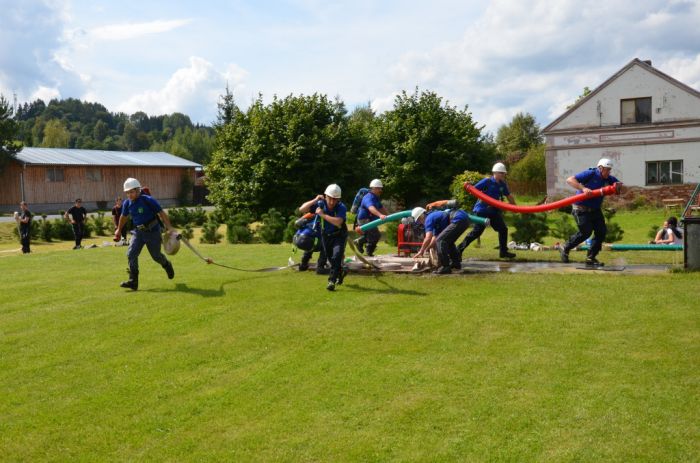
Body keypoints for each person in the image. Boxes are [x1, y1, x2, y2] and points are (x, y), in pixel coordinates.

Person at [114, 178, 176, 291]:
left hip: (153, 232)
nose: (129, 195)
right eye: (127, 192)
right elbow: (124, 216)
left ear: (138, 190)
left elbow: (161, 213)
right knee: (131, 254)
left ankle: (167, 264)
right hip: (138, 233)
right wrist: (118, 229)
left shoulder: (148, 200)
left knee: (156, 256)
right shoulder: (127, 203)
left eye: (131, 192)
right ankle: (133, 282)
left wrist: (169, 227)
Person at [559, 158, 621, 267]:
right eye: (607, 169)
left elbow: (619, 186)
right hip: (580, 208)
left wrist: (618, 188)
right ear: (600, 168)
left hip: (595, 210)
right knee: (585, 232)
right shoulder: (591, 173)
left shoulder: (609, 178)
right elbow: (570, 180)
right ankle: (565, 247)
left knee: (601, 232)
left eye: (610, 170)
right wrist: (583, 188)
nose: (608, 172)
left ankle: (591, 257)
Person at [457, 162, 517, 259]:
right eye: (501, 173)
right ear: (495, 173)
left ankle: (503, 252)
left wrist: (515, 207)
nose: (503, 175)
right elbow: (473, 190)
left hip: (493, 211)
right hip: (482, 210)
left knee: (503, 229)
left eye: (504, 173)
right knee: (477, 232)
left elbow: (509, 196)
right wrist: (469, 186)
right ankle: (458, 250)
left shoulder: (503, 185)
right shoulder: (487, 181)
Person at [299, 184, 347, 291]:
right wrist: (315, 199)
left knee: (337, 255)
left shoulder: (341, 207)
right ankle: (340, 272)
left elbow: (338, 221)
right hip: (326, 236)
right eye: (330, 198)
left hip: (339, 235)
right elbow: (302, 209)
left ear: (338, 199)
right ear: (325, 196)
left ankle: (331, 281)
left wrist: (322, 215)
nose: (332, 202)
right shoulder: (320, 204)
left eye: (335, 199)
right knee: (331, 259)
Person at [412, 205, 471, 274]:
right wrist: (426, 249)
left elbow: (428, 238)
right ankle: (456, 264)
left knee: (441, 241)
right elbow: (435, 237)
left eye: (419, 220)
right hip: (464, 218)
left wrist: (421, 251)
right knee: (448, 242)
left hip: (457, 218)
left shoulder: (428, 219)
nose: (420, 222)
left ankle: (445, 267)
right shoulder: (434, 217)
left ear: (421, 216)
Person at [353, 178, 389, 256]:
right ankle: (369, 252)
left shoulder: (376, 198)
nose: (381, 190)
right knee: (375, 234)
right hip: (364, 219)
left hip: (368, 219)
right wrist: (380, 215)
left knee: (374, 235)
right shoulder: (368, 197)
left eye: (381, 188)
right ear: (374, 188)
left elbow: (381, 207)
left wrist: (388, 216)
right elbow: (371, 208)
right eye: (379, 188)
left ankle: (359, 242)